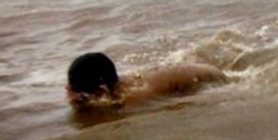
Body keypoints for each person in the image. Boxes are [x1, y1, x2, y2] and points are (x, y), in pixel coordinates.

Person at [66, 52, 228, 110]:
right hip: (198, 69)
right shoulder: (121, 85)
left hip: (211, 75)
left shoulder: (136, 97)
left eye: (75, 87)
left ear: (101, 85)